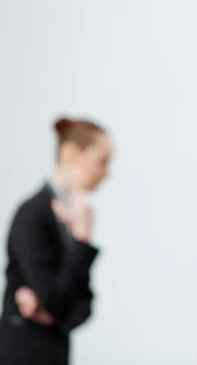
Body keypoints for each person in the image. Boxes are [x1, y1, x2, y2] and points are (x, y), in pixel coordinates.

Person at [0, 116, 112, 365]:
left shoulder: (68, 219)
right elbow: (59, 303)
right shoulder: (33, 213)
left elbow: (85, 306)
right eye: (101, 161)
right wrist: (82, 241)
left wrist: (53, 315)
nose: (106, 173)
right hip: (24, 355)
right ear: (71, 152)